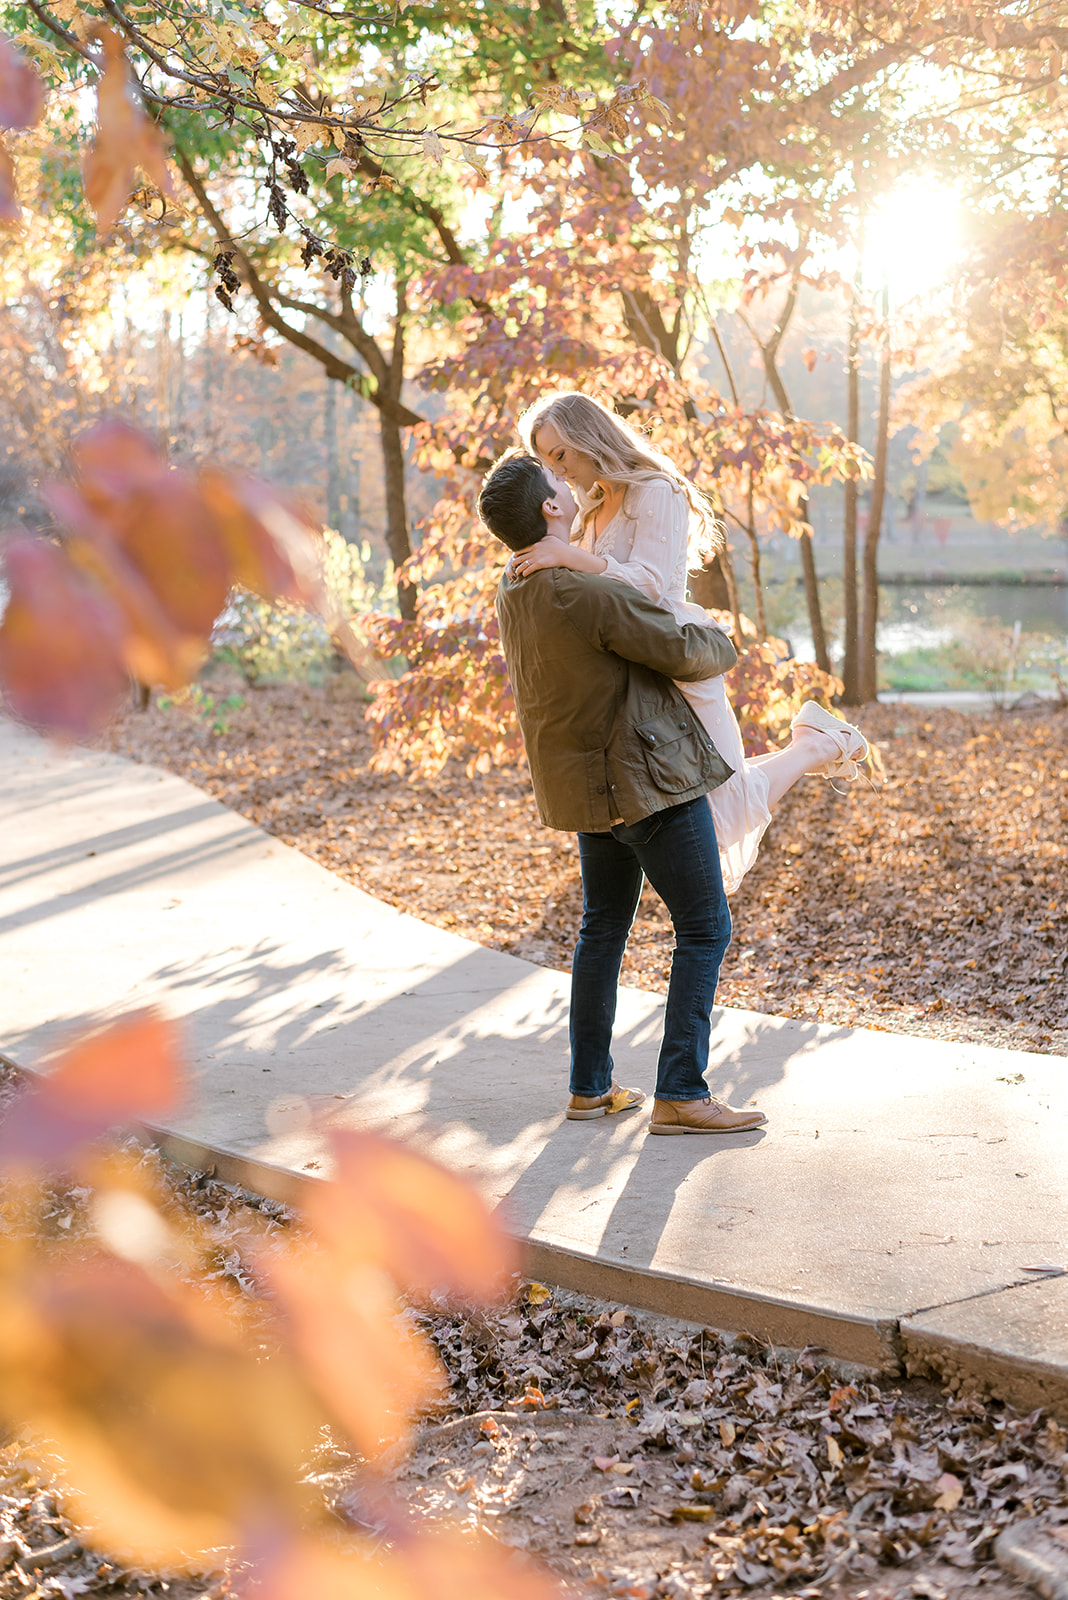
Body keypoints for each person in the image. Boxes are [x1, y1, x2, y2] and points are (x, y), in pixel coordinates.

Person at [479, 447, 767, 1137]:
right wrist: (721, 637)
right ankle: (681, 1092)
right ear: (552, 508)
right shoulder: (585, 591)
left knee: (602, 926)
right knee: (705, 926)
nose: (571, 483)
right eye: (559, 481)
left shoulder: (513, 587)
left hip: (586, 787)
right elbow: (680, 649)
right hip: (646, 783)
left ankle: (589, 1088)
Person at [511, 391, 870, 894]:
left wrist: (572, 559)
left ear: (586, 438)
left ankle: (814, 746)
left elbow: (653, 585)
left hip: (677, 656)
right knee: (712, 797)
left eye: (560, 454)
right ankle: (814, 740)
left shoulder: (657, 491)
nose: (558, 469)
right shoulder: (588, 508)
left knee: (724, 812)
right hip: (633, 677)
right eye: (547, 461)